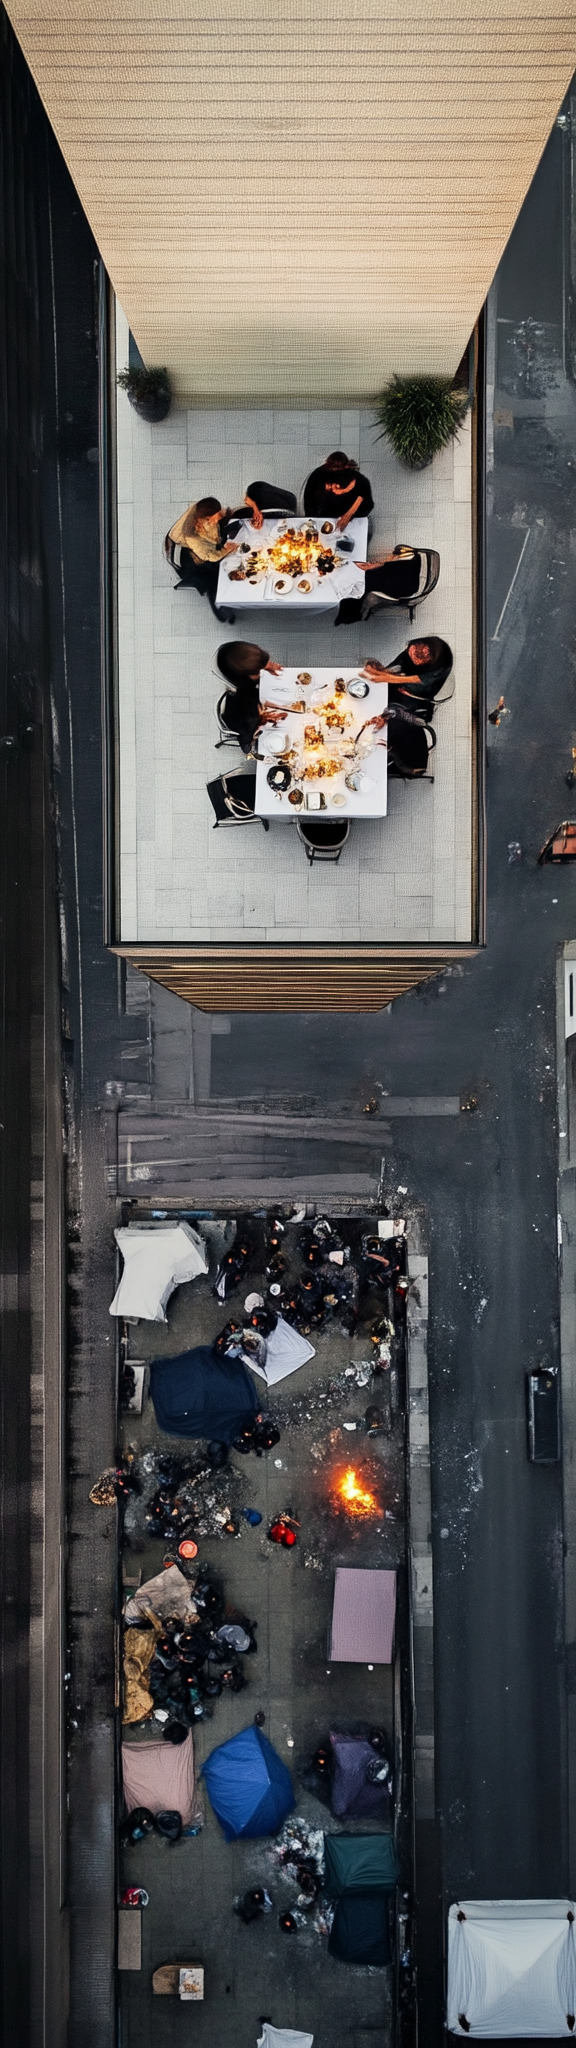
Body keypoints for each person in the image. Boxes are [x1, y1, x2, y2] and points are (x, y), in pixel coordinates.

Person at [164, 496, 237, 615]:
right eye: (217, 514)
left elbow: (214, 531)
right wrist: (227, 550)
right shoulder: (193, 538)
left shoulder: (201, 510)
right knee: (213, 574)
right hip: (190, 558)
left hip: (199, 544)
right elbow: (210, 556)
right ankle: (221, 609)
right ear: (206, 518)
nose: (220, 515)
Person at [215, 642, 288, 754]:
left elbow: (252, 663)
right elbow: (246, 732)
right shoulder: (234, 704)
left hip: (247, 695)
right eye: (259, 671)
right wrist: (261, 719)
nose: (261, 673)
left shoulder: (233, 655)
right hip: (242, 724)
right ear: (245, 677)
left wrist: (267, 666)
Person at [334, 544, 423, 625]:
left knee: (357, 581)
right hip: (399, 581)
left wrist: (365, 567)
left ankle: (348, 613)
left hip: (388, 583)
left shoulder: (377, 579)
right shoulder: (397, 568)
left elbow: (372, 571)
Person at [360, 639, 453, 708]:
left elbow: (398, 679)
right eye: (416, 646)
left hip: (417, 691)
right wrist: (380, 670)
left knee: (393, 705)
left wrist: (380, 676)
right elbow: (393, 669)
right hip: (409, 675)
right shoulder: (411, 651)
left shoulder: (433, 674)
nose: (413, 652)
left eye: (421, 657)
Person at [303, 450, 374, 528]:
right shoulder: (318, 475)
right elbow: (309, 500)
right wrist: (313, 520)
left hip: (354, 522)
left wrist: (349, 515)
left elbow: (367, 503)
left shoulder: (359, 480)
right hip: (325, 519)